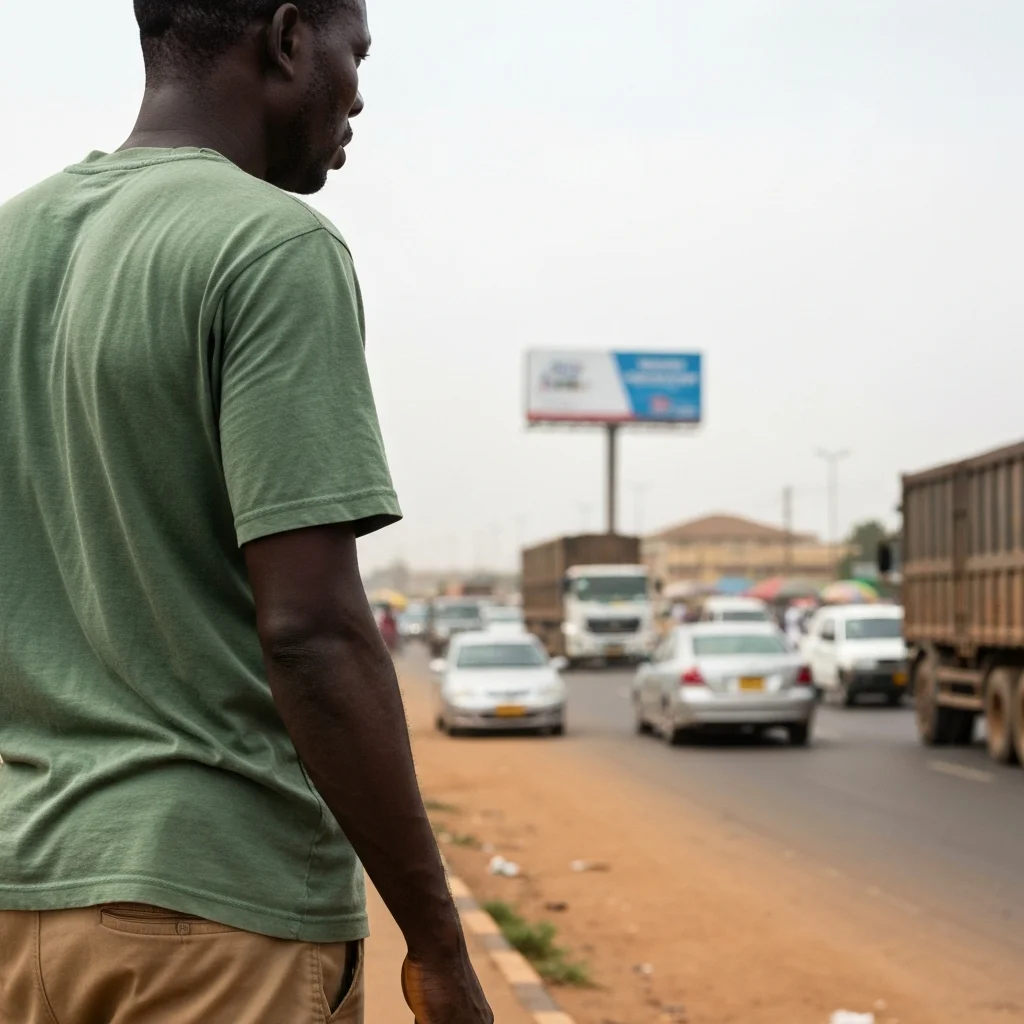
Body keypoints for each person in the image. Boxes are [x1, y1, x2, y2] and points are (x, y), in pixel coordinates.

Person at [0, 2, 492, 1023]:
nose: (359, 91)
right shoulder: (272, 249)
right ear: (284, 40)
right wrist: (437, 947)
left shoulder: (10, 247)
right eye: (354, 54)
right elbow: (312, 630)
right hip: (217, 920)